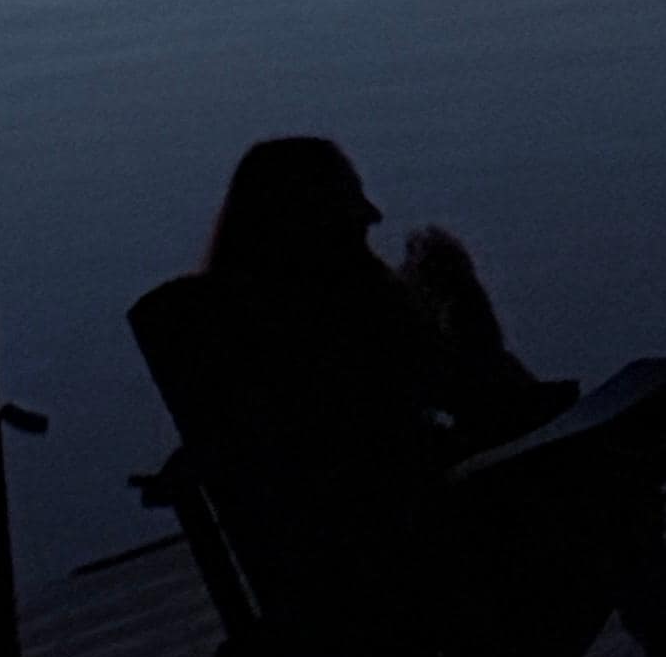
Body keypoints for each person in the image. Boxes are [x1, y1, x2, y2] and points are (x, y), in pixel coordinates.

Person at [201, 135, 577, 484]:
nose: (373, 214)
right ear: (310, 221)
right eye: (350, 196)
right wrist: (464, 312)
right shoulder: (350, 320)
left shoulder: (237, 335)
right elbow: (497, 401)